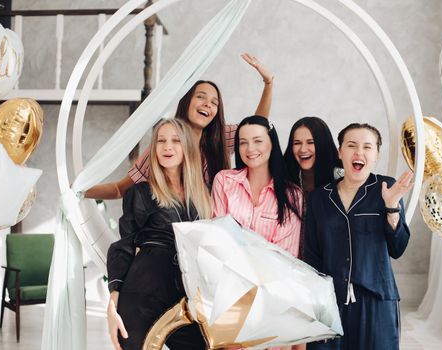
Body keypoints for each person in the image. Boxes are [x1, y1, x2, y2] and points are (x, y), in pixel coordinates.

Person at [85, 53, 273, 199]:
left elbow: (256, 128)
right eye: (201, 97)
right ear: (187, 101)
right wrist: (79, 191)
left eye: (214, 102)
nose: (208, 104)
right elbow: (119, 189)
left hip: (212, 228)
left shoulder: (220, 137)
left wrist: (269, 83)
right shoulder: (164, 146)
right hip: (173, 232)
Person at [304, 123, 413, 350]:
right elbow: (312, 257)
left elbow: (398, 248)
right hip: (330, 302)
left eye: (367, 147)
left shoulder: (387, 189)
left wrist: (392, 207)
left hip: (376, 300)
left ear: (376, 155)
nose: (359, 152)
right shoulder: (319, 198)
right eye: (351, 145)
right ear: (340, 152)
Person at [106, 119, 212, 350]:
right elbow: (124, 246)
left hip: (186, 293)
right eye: (161, 141)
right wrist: (114, 299)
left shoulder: (204, 194)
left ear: (187, 148)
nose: (167, 147)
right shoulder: (140, 193)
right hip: (144, 290)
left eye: (175, 140)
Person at [211, 115, 302, 258]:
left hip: (272, 277)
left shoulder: (292, 195)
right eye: (243, 142)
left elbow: (285, 257)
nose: (250, 148)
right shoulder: (224, 180)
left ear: (272, 143)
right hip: (226, 273)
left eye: (258, 141)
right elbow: (218, 236)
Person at [283, 116, 342, 259]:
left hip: (329, 263)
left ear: (323, 144)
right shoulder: (285, 179)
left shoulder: (341, 178)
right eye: (297, 143)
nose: (303, 149)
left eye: (311, 142)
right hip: (290, 262)